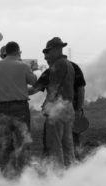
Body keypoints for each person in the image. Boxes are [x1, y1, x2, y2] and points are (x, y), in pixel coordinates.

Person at [0, 41, 38, 178]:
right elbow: (35, 83)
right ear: (17, 51)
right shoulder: (23, 66)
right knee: (23, 143)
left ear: (5, 53)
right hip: (20, 109)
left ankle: (7, 176)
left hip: (3, 109)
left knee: (5, 144)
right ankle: (23, 176)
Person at [32, 50, 87, 160]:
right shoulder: (74, 67)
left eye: (47, 58)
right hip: (72, 111)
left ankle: (55, 172)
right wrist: (78, 109)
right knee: (71, 145)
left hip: (56, 114)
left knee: (53, 145)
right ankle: (75, 171)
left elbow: (34, 90)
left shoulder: (51, 71)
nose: (46, 61)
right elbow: (81, 90)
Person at [38, 37, 76, 167]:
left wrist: (46, 105)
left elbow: (53, 87)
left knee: (55, 144)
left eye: (48, 51)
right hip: (68, 106)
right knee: (67, 144)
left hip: (57, 107)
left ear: (55, 50)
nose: (47, 55)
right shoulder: (69, 64)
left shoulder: (58, 65)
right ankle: (71, 173)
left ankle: (58, 176)